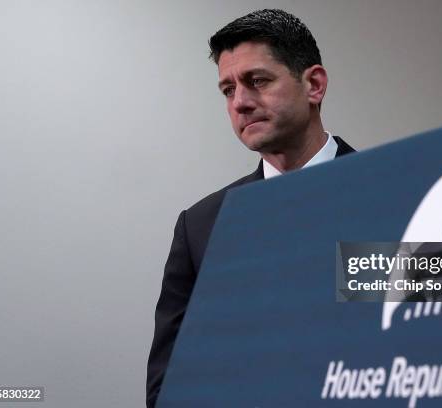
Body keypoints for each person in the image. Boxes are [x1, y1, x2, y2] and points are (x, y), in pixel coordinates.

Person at [146, 9, 355, 407]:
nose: (240, 102)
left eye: (257, 81)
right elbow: (167, 387)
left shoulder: (398, 191)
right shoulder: (201, 226)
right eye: (228, 90)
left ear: (313, 84)